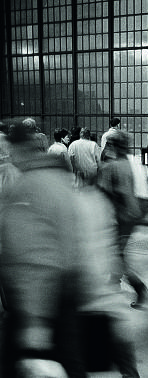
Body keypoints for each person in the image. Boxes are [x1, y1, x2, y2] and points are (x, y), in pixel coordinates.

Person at [0, 119, 140, 377]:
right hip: (74, 288)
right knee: (71, 359)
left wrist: (35, 322)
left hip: (45, 299)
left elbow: (33, 260)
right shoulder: (67, 186)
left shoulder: (27, 188)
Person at [98, 129, 148, 309]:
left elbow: (106, 193)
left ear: (113, 146)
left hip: (119, 217)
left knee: (117, 255)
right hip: (130, 216)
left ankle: (140, 288)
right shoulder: (132, 163)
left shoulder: (113, 166)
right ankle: (114, 279)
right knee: (116, 251)